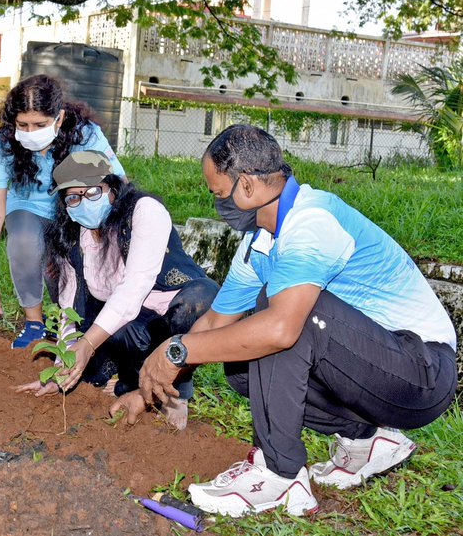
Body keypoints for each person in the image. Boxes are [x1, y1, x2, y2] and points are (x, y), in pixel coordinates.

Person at [111, 124, 457, 516]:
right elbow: (213, 324)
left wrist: (177, 348)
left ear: (246, 187)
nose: (217, 205)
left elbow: (281, 329)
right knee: (241, 365)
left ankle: (280, 475)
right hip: (375, 368)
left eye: (217, 193)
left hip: (422, 373)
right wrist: (151, 384)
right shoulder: (260, 243)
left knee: (284, 318)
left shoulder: (313, 222)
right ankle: (367, 440)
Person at [16, 151, 220, 429]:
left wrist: (87, 345)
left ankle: (176, 389)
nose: (83, 202)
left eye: (92, 192)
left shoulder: (144, 211)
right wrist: (64, 363)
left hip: (169, 313)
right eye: (73, 197)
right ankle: (130, 383)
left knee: (201, 299)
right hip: (124, 323)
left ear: (112, 189)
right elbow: (70, 307)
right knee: (97, 361)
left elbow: (134, 287)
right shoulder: (72, 237)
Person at [0, 75, 125, 348]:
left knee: (68, 272)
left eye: (40, 125)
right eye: (23, 125)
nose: (31, 132)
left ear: (59, 119)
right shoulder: (3, 143)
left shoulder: (86, 134)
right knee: (23, 240)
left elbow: (117, 186)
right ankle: (34, 322)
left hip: (75, 210)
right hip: (27, 208)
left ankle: (80, 321)